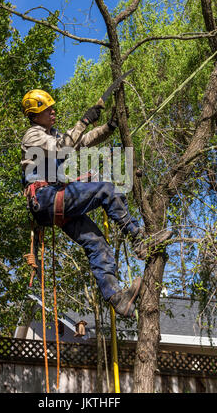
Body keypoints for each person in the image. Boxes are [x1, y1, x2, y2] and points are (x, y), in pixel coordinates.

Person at [20, 89, 170, 317]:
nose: (53, 111)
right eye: (46, 110)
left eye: (52, 108)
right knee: (107, 189)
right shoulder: (33, 136)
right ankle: (139, 239)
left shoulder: (54, 135)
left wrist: (108, 127)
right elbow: (63, 147)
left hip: (55, 202)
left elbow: (83, 141)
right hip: (47, 199)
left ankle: (117, 298)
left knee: (98, 244)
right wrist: (84, 120)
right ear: (34, 115)